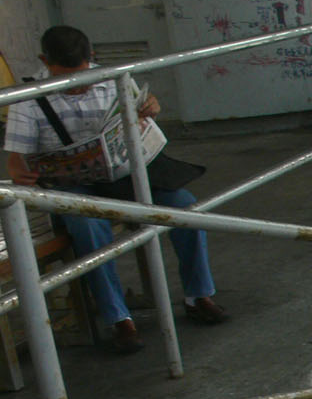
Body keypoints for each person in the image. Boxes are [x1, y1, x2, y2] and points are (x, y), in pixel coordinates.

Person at [4, 25, 225, 354]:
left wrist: (150, 110)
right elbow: (16, 165)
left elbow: (142, 121)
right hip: (73, 187)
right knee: (88, 228)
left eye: (81, 77)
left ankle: (198, 296)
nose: (78, 89)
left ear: (91, 57)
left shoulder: (114, 78)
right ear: (44, 61)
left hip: (124, 176)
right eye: (65, 77)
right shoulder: (29, 99)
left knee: (186, 207)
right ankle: (119, 318)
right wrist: (26, 174)